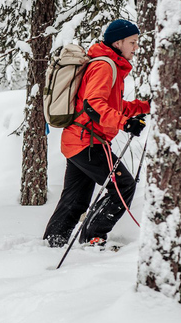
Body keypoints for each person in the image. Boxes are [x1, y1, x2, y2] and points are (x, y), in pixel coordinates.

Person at [43, 19, 151, 248]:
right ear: (118, 42)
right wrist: (125, 124)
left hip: (78, 141)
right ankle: (93, 237)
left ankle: (53, 243)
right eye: (132, 42)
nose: (136, 47)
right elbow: (94, 106)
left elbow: (113, 105)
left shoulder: (108, 64)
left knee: (75, 199)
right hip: (89, 141)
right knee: (123, 187)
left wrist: (144, 107)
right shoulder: (104, 66)